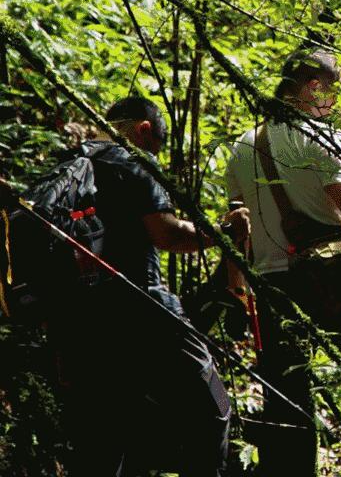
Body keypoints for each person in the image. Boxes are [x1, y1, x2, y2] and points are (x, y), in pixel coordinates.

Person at [225, 49, 341, 477]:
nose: (336, 98)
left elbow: (237, 222)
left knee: (288, 392)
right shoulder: (317, 135)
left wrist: (236, 286)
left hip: (272, 281)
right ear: (312, 86)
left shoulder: (241, 144)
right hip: (335, 279)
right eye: (334, 87)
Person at [55, 96, 247, 477]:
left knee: (106, 437)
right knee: (212, 411)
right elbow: (169, 235)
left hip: (80, 319)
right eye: (156, 144)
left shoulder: (70, 165)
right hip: (144, 308)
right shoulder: (132, 161)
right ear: (145, 130)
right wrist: (224, 233)